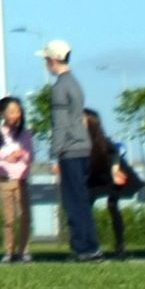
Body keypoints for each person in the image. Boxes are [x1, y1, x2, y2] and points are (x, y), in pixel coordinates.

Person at [41, 41, 97, 261]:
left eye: (46, 60)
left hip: (69, 151)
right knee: (83, 201)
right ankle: (92, 246)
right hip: (84, 147)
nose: (46, 64)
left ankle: (82, 249)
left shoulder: (59, 88)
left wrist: (55, 154)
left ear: (53, 60)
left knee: (73, 202)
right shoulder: (75, 83)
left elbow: (60, 124)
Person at [0, 97, 35, 264]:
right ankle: (9, 251)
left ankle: (24, 251)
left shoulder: (25, 134)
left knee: (25, 217)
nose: (16, 115)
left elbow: (30, 155)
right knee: (8, 219)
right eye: (12, 111)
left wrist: (22, 155)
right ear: (3, 114)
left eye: (18, 111)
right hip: (4, 181)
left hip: (21, 181)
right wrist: (6, 157)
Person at [83, 114, 139, 259]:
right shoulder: (79, 141)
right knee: (84, 208)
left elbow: (114, 153)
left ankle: (120, 245)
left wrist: (115, 170)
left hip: (111, 174)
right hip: (95, 177)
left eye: (83, 120)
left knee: (112, 205)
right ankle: (86, 246)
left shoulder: (102, 140)